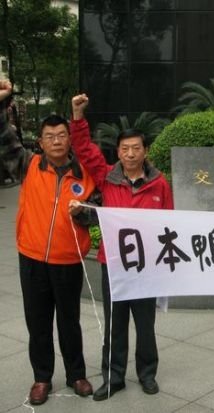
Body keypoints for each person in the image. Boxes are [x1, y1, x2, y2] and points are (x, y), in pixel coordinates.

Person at [70, 94, 174, 401]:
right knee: (115, 325)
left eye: (136, 148)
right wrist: (78, 117)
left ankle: (147, 374)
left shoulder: (159, 184)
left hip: (146, 267)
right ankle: (113, 378)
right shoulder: (107, 178)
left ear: (145, 151)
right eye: (125, 149)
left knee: (145, 325)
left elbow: (169, 225)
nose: (130, 154)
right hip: (114, 264)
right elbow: (85, 150)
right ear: (118, 152)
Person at [2, 79, 96, 405]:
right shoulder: (28, 165)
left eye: (61, 135)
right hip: (32, 259)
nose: (56, 141)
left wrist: (83, 213)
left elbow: (98, 214)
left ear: (70, 139)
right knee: (38, 323)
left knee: (70, 323)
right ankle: (42, 378)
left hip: (68, 260)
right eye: (50, 136)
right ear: (40, 142)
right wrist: (3, 104)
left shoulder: (84, 174)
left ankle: (76, 374)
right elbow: (4, 140)